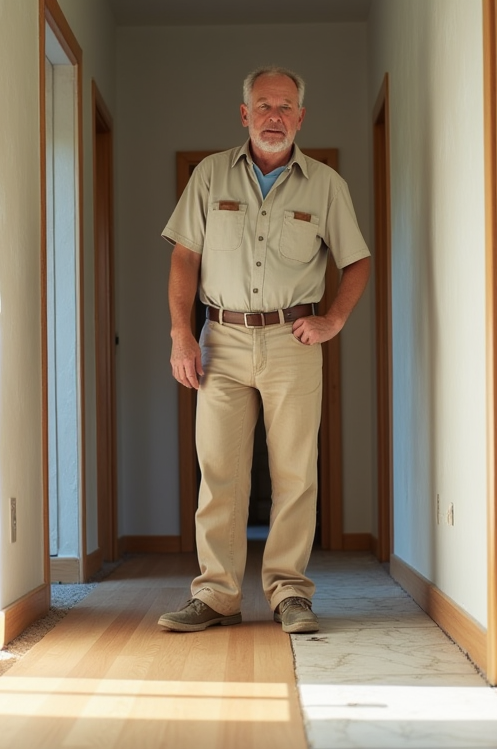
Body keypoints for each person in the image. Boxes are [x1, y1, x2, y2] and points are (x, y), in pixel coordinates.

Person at [157, 66, 371, 635]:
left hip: (292, 339)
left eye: (285, 106)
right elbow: (184, 257)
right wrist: (181, 333)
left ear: (301, 117)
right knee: (218, 470)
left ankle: (290, 592)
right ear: (244, 114)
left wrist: (332, 320)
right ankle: (216, 595)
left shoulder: (327, 185)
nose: (274, 116)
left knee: (295, 471)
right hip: (220, 340)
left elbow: (357, 261)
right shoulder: (209, 175)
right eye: (263, 105)